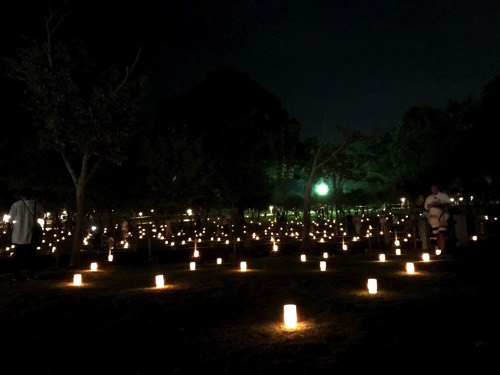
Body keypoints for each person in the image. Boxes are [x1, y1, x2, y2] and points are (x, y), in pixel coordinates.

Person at [8, 187, 45, 281]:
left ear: (20, 195)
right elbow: (41, 217)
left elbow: (10, 219)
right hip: (31, 234)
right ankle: (31, 275)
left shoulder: (15, 205)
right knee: (31, 256)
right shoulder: (37, 205)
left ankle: (16, 275)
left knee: (18, 257)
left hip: (18, 234)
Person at [424, 184, 451, 253]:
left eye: (435, 188)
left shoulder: (443, 196)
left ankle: (443, 249)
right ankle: (440, 248)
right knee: (437, 235)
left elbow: (449, 204)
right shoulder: (429, 198)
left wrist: (441, 205)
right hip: (433, 219)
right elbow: (426, 207)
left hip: (442, 217)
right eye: (432, 188)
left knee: (442, 233)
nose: (433, 190)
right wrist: (432, 205)